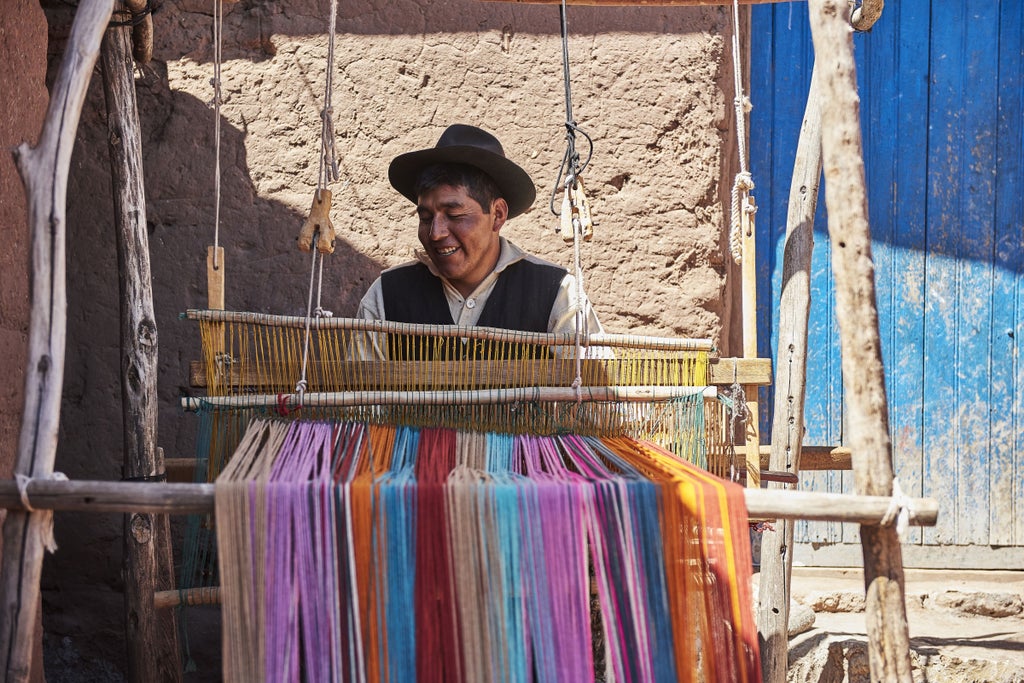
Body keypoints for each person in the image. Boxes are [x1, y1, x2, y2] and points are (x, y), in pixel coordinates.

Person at [356, 124, 602, 358]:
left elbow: (597, 393)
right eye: (426, 217)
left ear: (497, 215)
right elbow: (358, 400)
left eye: (454, 215)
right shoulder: (386, 296)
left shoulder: (558, 294)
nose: (435, 233)